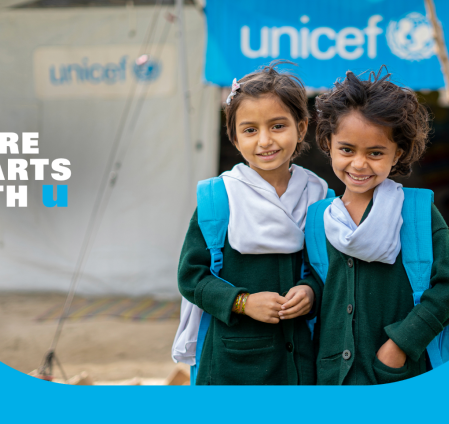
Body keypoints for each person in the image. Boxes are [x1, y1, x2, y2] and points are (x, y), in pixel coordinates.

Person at [176, 62, 330, 385]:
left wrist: (311, 292)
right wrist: (243, 302)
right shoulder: (219, 199)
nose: (265, 141)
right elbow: (191, 277)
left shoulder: (318, 197)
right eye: (250, 130)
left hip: (300, 364)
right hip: (232, 366)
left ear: (301, 128)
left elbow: (329, 270)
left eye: (277, 126)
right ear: (233, 137)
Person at [292, 68, 449, 385]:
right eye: (347, 149)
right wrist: (308, 291)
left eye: (375, 153)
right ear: (328, 143)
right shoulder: (319, 219)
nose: (359, 164)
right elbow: (325, 282)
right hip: (334, 377)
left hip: (401, 374)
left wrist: (401, 343)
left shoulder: (418, 213)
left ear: (398, 153)